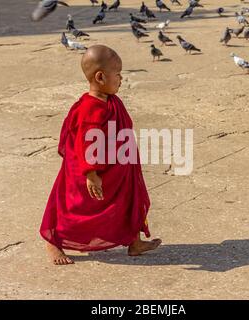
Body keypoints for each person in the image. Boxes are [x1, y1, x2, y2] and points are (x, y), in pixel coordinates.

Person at [40, 44, 162, 265]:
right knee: (77, 208)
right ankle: (54, 241)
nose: (121, 79)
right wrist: (91, 173)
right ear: (100, 77)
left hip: (118, 169)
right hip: (94, 172)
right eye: (118, 74)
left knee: (129, 201)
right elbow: (86, 143)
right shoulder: (90, 109)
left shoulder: (111, 100)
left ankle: (134, 242)